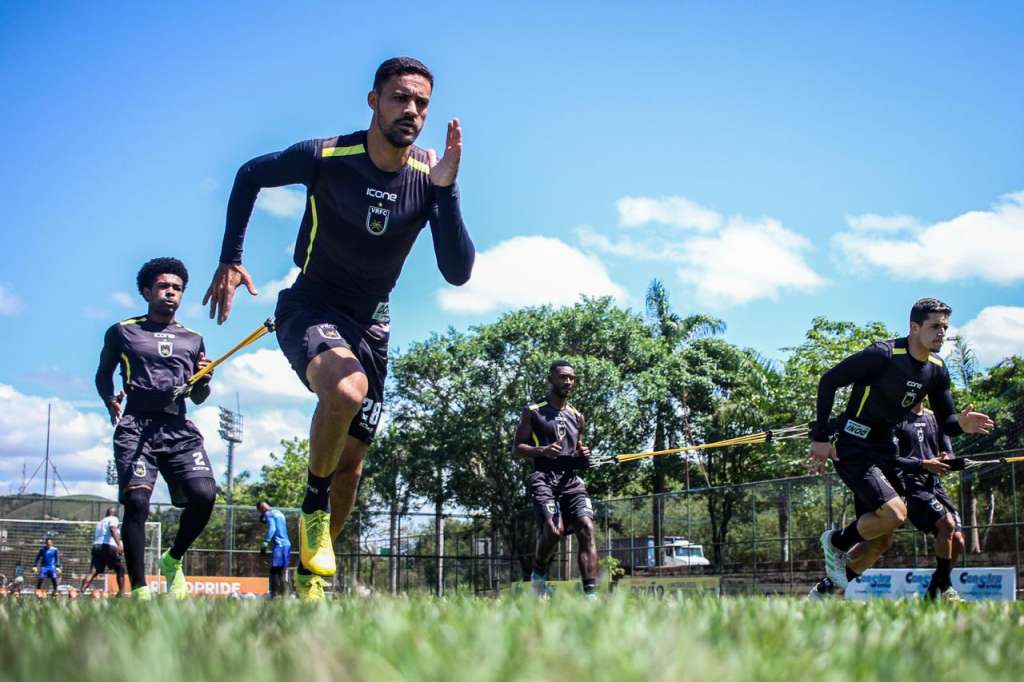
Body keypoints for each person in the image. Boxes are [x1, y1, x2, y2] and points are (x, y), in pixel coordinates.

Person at [203, 57, 474, 601]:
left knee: (351, 465)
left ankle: (311, 578)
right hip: (310, 302)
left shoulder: (428, 175)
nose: (412, 111)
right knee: (346, 389)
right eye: (400, 97)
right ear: (373, 101)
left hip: (373, 321)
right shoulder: (327, 156)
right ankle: (311, 506)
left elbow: (457, 271)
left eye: (421, 102)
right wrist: (231, 256)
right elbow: (249, 174)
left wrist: (446, 189)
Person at [808, 298, 993, 594]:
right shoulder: (883, 354)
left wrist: (963, 425)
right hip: (853, 444)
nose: (941, 333)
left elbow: (947, 421)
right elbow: (829, 381)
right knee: (895, 515)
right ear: (914, 327)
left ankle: (824, 592)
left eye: (945, 327)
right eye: (935, 327)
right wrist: (820, 437)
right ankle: (836, 542)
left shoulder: (937, 369)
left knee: (882, 536)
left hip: (884, 450)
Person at [95, 257, 217, 600]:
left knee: (205, 495)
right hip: (137, 427)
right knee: (136, 502)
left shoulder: (193, 339)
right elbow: (103, 373)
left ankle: (173, 558)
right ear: (147, 291)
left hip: (177, 428)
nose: (170, 293)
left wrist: (204, 380)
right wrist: (109, 399)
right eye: (164, 287)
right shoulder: (123, 331)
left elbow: (199, 395)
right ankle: (139, 591)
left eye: (177, 288)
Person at [513, 360, 599, 599]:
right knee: (553, 530)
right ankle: (538, 576)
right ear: (551, 379)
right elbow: (517, 449)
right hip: (543, 478)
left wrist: (584, 456)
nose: (568, 382)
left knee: (586, 527)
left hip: (572, 481)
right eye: (563, 377)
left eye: (571, 378)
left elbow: (578, 452)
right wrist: (542, 451)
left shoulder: (577, 416)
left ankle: (590, 595)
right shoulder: (533, 411)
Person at [894, 401, 965, 600]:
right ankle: (947, 587)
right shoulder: (896, 418)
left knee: (958, 542)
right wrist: (923, 464)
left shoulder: (936, 418)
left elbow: (949, 451)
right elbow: (892, 459)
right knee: (947, 524)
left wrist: (946, 457)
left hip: (934, 485)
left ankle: (932, 594)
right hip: (911, 486)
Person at [81, 507, 127, 595]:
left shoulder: (100, 522)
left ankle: (81, 591)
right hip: (108, 546)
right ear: (114, 514)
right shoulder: (113, 519)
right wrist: (119, 544)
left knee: (92, 571)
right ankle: (121, 593)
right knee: (120, 569)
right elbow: (113, 529)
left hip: (97, 546)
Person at [257, 501, 292, 598]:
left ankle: (274, 595)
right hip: (287, 545)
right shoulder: (279, 513)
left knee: (274, 570)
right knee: (281, 571)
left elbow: (272, 528)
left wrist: (265, 543)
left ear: (261, 508)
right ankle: (285, 595)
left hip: (279, 545)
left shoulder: (268, 513)